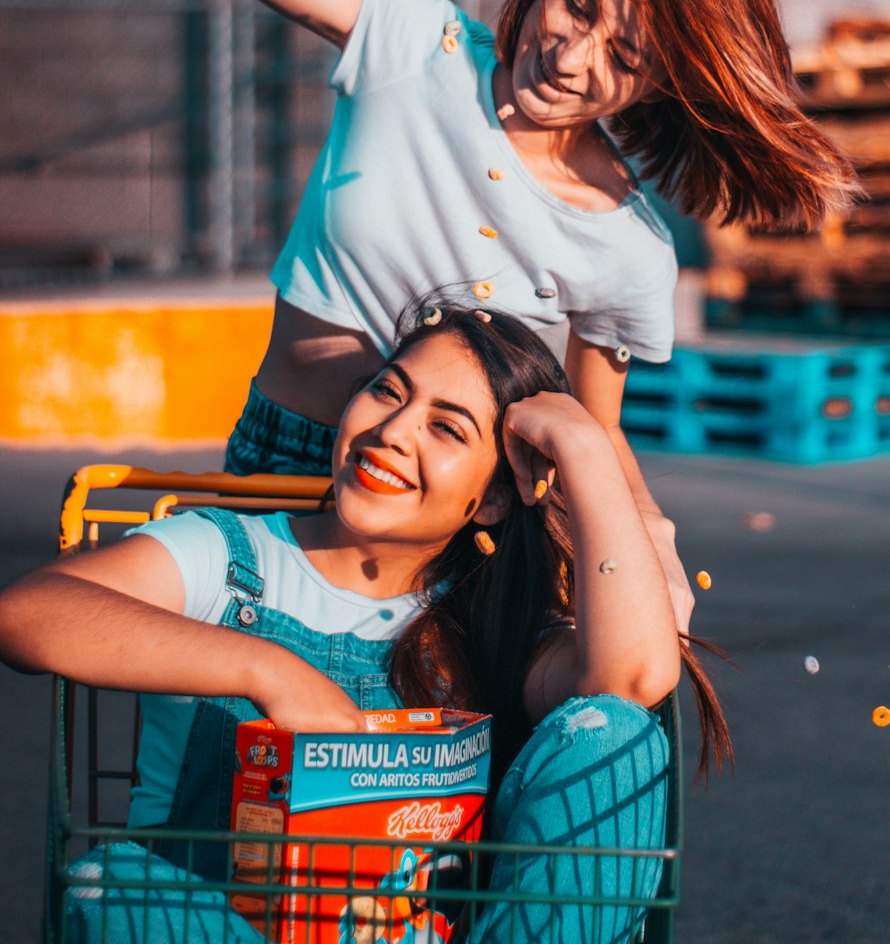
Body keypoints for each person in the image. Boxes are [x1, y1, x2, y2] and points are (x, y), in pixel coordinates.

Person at [134, 0, 857, 630]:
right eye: (578, 5)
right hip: (283, 477)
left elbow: (594, 435)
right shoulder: (409, 40)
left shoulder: (628, 249)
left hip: (454, 538)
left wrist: (649, 541)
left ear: (659, 85)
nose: (571, 55)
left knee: (414, 764)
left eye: (623, 55)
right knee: (241, 754)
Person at [0, 303, 731, 944]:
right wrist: (267, 670)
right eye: (388, 390)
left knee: (620, 737)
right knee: (121, 888)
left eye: (446, 428)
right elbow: (27, 615)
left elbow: (631, 681)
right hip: (217, 920)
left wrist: (584, 448)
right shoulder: (229, 558)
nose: (392, 431)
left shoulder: (487, 623)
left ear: (493, 500)